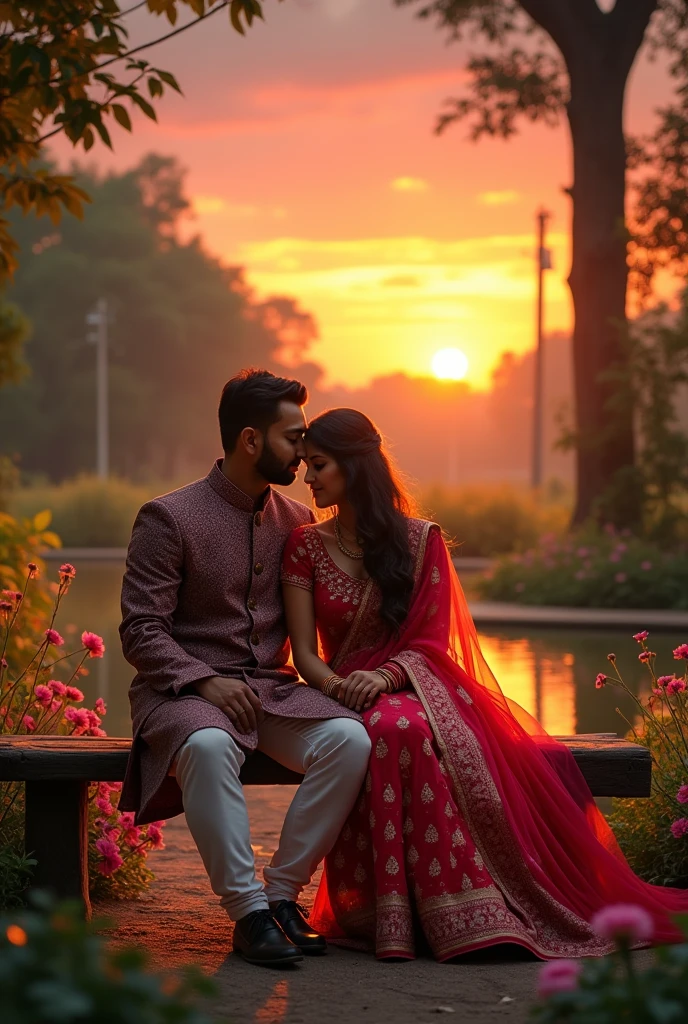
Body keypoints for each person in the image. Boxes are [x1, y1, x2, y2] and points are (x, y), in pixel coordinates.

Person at [281, 407, 688, 962]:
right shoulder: (304, 544)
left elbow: (431, 643)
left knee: (401, 725)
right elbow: (305, 655)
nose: (310, 478)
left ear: (355, 465)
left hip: (417, 685)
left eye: (320, 465)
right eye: (306, 465)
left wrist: (384, 676)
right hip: (342, 692)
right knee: (385, 728)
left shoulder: (421, 542)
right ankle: (392, 912)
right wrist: (341, 685)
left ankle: (467, 908)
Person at [118, 371, 371, 967]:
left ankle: (282, 895)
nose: (304, 451)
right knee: (206, 747)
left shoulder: (296, 522)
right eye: (294, 437)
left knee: (349, 739)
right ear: (252, 440)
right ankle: (248, 913)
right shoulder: (168, 517)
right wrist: (203, 679)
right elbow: (139, 631)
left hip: (270, 690)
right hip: (182, 691)